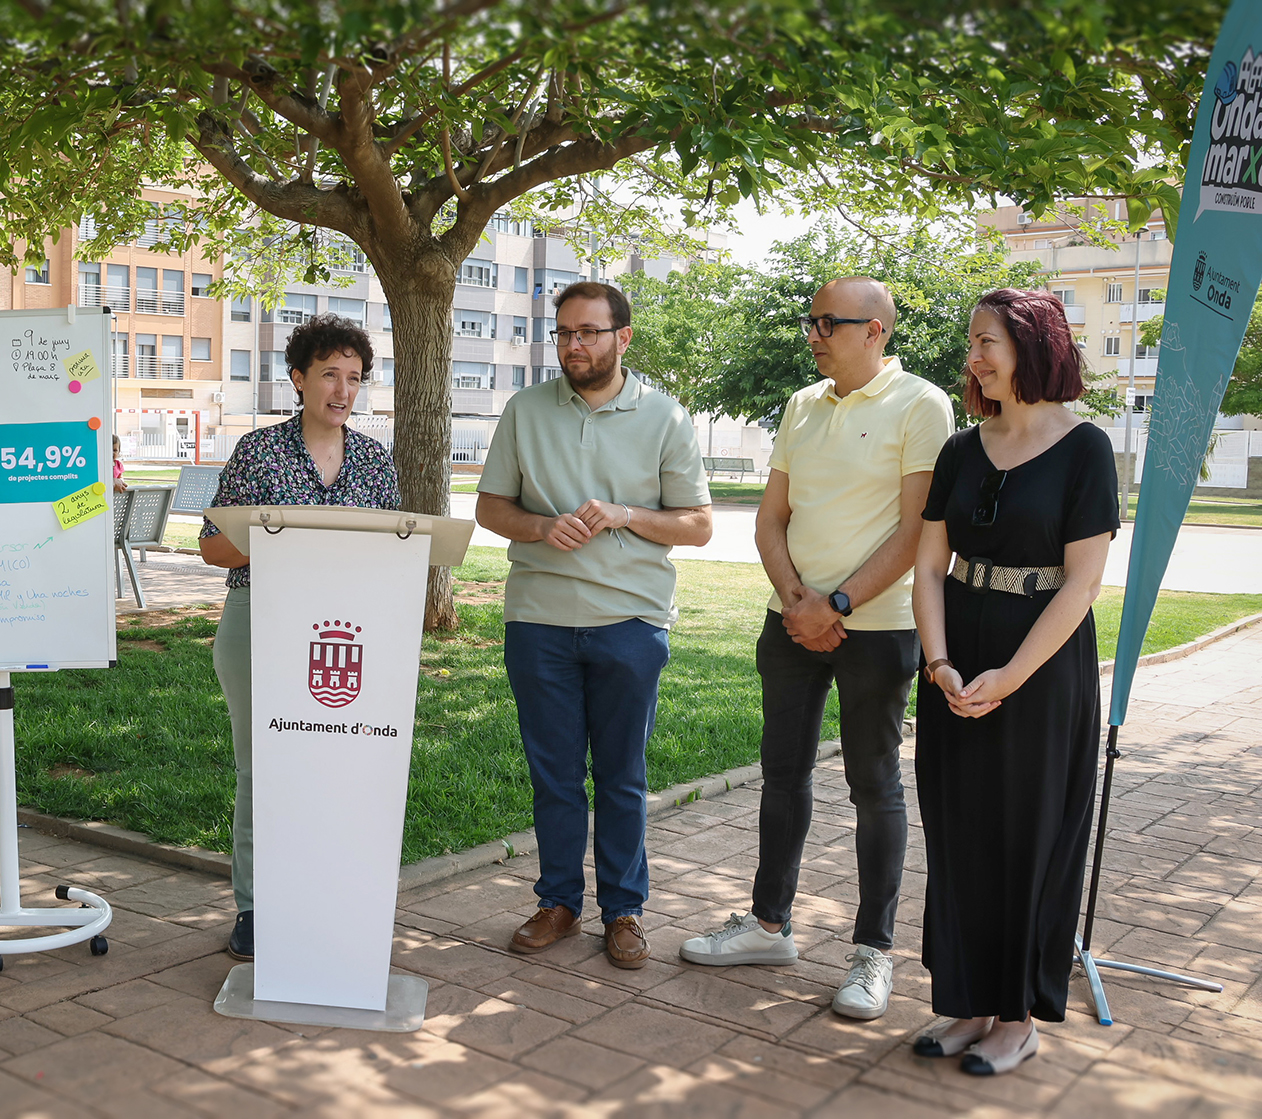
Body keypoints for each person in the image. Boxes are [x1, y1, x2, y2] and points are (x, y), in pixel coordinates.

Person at [679, 278, 953, 1020]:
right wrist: (799, 601)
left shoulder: (922, 404)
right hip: (791, 621)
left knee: (874, 785)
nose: (813, 333)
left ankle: (872, 952)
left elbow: (917, 532)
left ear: (876, 332)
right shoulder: (802, 404)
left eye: (828, 322)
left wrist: (835, 604)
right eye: (810, 320)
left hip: (878, 626)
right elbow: (770, 519)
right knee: (782, 773)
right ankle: (769, 924)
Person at [476, 281, 711, 969]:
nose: (574, 345)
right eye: (564, 333)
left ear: (623, 337)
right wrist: (543, 525)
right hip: (538, 619)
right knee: (552, 774)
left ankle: (624, 910)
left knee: (621, 775)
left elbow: (698, 524)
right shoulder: (525, 411)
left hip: (630, 622)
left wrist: (625, 513)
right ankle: (557, 902)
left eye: (589, 332)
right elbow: (492, 507)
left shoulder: (665, 416)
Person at [909, 288, 1114, 1076]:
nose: (974, 357)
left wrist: (1010, 676)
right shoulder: (961, 450)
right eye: (972, 343)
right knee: (958, 832)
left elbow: (1081, 583)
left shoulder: (1085, 448)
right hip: (955, 655)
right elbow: (930, 565)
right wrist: (940, 663)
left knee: (1027, 837)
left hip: (1041, 666)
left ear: (1033, 345)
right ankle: (963, 1000)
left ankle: (1016, 1016)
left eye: (987, 341)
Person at [201, 313, 399, 961]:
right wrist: (281, 530)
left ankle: (326, 891)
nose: (342, 390)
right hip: (260, 618)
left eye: (354, 378)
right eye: (328, 375)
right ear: (298, 378)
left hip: (345, 633)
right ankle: (256, 907)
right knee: (262, 770)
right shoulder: (258, 451)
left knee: (337, 767)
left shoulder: (374, 459)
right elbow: (210, 548)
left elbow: (391, 551)